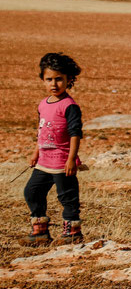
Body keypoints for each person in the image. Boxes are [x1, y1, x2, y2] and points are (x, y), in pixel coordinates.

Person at [20, 53, 84, 246]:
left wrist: (71, 159)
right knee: (32, 191)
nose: (54, 84)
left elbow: (75, 134)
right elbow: (41, 130)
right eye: (49, 79)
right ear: (42, 80)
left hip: (62, 162)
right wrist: (35, 152)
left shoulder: (70, 106)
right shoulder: (42, 104)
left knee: (67, 197)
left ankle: (72, 233)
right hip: (44, 161)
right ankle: (39, 230)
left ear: (68, 80)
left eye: (59, 79)